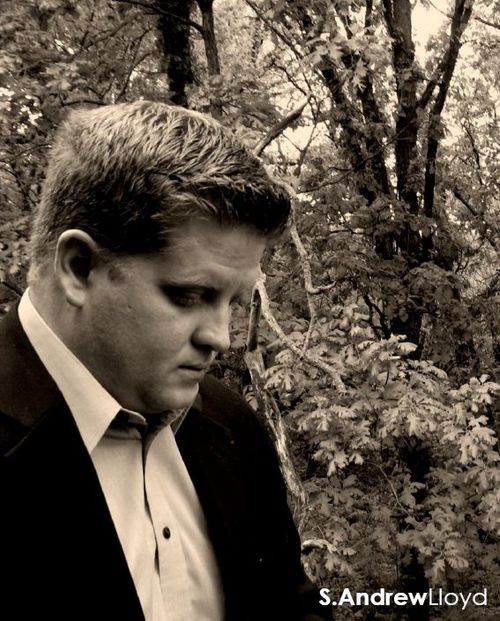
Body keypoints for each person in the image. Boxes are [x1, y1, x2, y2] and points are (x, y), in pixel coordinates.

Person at [0, 101, 328, 621]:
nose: (220, 338)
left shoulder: (231, 423)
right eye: (188, 295)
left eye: (234, 302)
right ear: (79, 268)